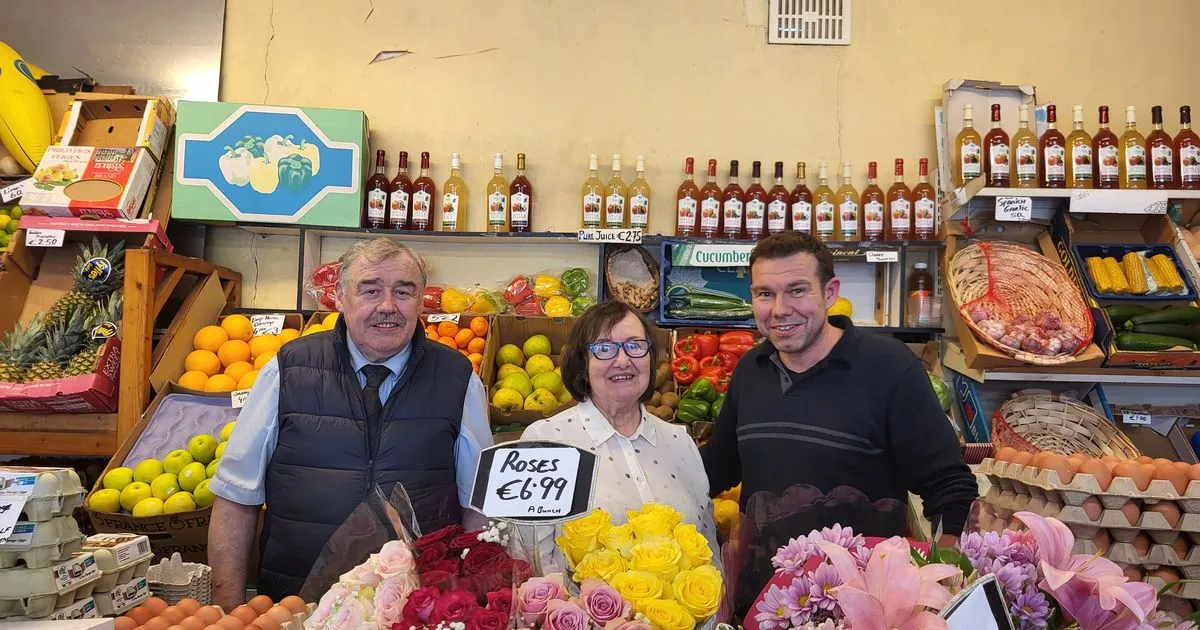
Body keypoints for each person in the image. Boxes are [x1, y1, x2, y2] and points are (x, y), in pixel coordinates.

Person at [207, 238, 493, 610]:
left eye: (403, 292)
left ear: (421, 300)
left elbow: (479, 506)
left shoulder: (458, 378)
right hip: (297, 606)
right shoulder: (288, 369)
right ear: (340, 297)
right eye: (370, 290)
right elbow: (235, 498)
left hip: (417, 605)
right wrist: (230, 612)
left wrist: (474, 601)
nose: (387, 306)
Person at [700, 232, 977, 608]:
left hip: (862, 605)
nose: (779, 309)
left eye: (797, 290)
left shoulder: (889, 368)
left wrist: (937, 586)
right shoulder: (752, 369)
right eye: (765, 293)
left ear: (830, 292)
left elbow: (950, 489)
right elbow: (717, 468)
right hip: (769, 602)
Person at [520, 301, 722, 576]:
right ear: (582, 363)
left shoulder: (680, 442)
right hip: (584, 617)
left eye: (635, 345)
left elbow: (707, 546)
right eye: (604, 348)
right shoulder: (544, 442)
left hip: (684, 619)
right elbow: (532, 560)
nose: (623, 360)